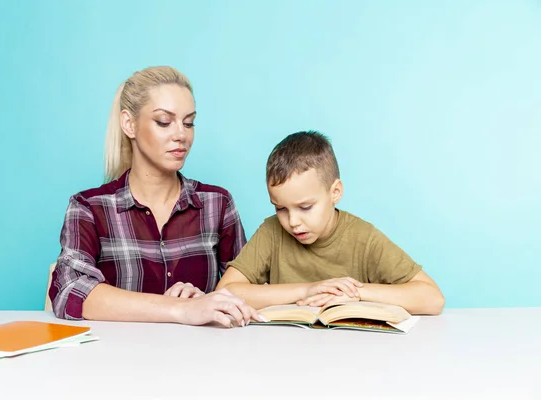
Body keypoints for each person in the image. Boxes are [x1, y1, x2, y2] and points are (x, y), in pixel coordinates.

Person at [49, 66, 264, 327]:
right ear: (129, 123)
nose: (181, 135)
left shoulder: (217, 204)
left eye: (189, 123)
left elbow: (248, 290)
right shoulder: (89, 208)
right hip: (114, 361)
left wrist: (209, 301)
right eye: (164, 122)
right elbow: (70, 291)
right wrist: (179, 309)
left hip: (202, 361)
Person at [217, 130, 445, 314]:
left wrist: (354, 292)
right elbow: (225, 291)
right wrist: (308, 289)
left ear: (335, 192)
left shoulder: (362, 237)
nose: (293, 221)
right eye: (280, 209)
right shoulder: (272, 232)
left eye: (305, 207)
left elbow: (432, 298)